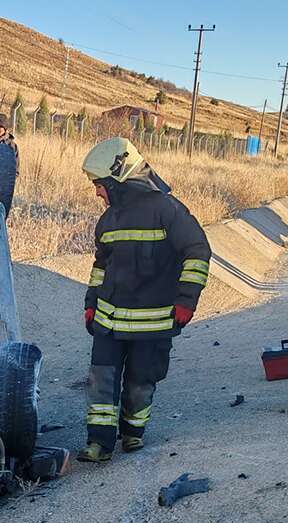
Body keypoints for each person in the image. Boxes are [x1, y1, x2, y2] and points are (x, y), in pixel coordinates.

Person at [77, 138, 211, 462]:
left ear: (116, 180)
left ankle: (133, 433)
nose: (96, 192)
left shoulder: (168, 210)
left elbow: (198, 252)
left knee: (141, 380)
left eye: (98, 185)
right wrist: (91, 302)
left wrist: (186, 300)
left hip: (152, 323)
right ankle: (99, 443)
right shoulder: (108, 219)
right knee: (102, 380)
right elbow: (101, 265)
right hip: (108, 322)